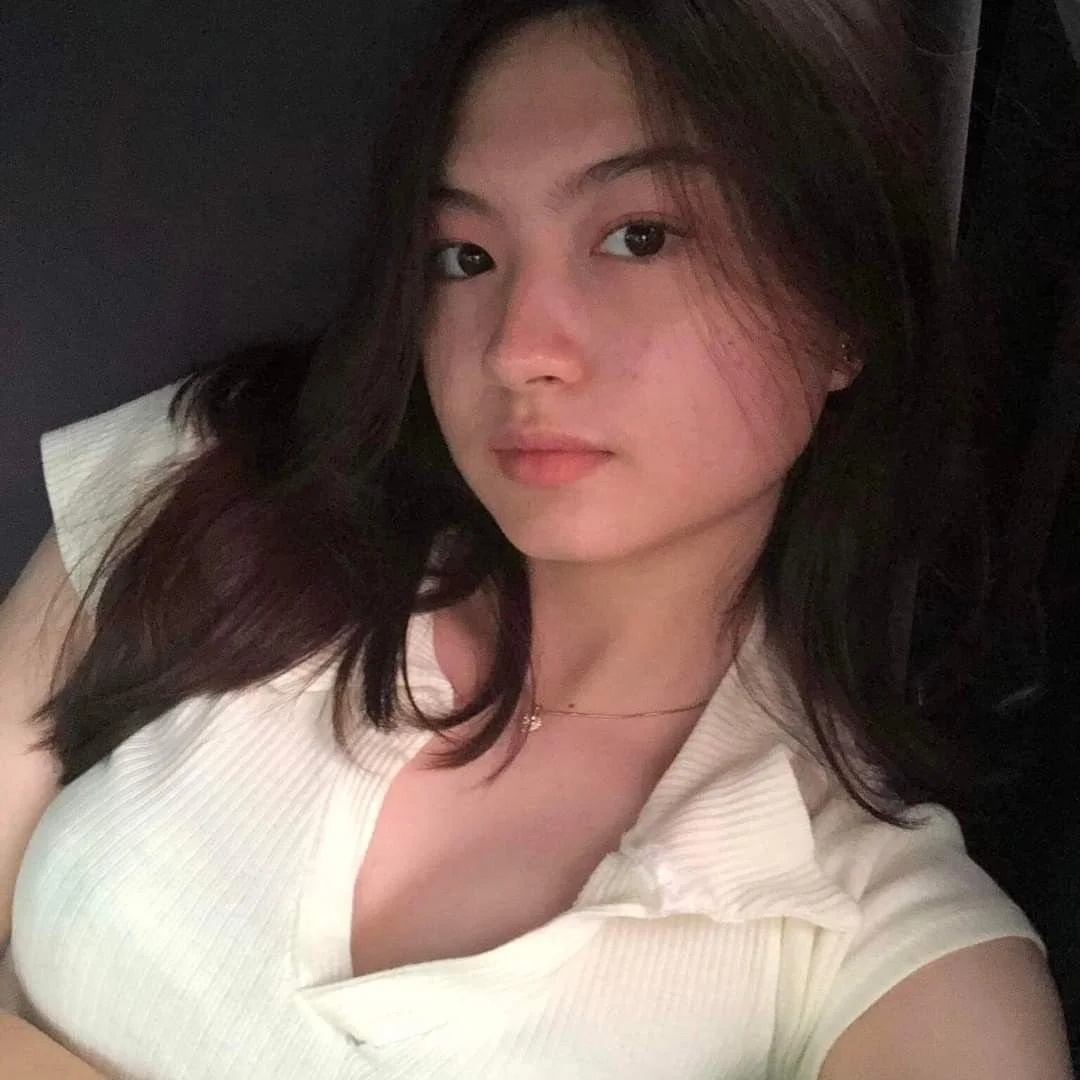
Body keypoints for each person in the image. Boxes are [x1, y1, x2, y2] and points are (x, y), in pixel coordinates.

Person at [0, 0, 1072, 1077]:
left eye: (640, 237)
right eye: (465, 255)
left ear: (844, 310)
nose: (517, 349)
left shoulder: (866, 935)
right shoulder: (222, 491)